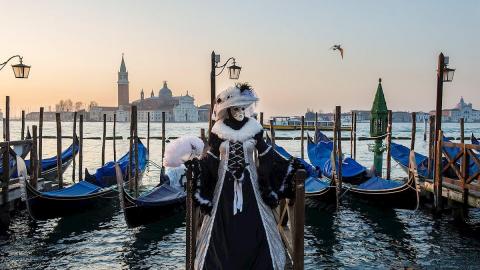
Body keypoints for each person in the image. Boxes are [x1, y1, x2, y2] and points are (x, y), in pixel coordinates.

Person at [190, 83, 302, 270]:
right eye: (236, 108)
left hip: (250, 185)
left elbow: (266, 154)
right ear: (228, 109)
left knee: (253, 226)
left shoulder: (254, 129)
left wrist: (289, 165)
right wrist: (195, 167)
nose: (240, 111)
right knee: (222, 226)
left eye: (243, 107)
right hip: (223, 190)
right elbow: (211, 158)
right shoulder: (218, 130)